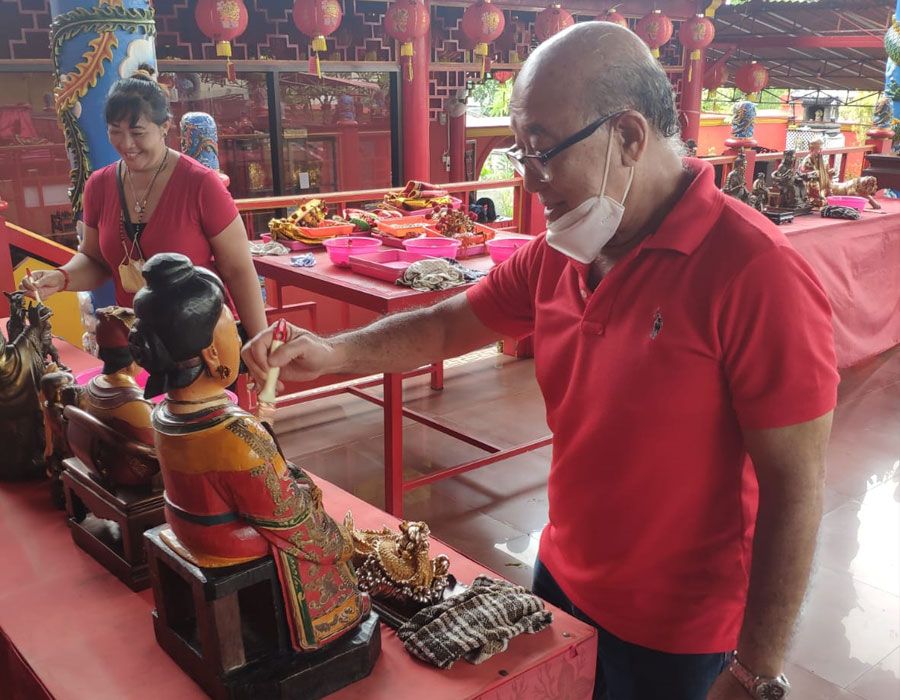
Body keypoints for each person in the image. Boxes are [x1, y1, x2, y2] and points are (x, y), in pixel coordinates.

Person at [243, 22, 838, 700]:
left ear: (629, 136)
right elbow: (449, 324)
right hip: (561, 577)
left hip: (680, 635)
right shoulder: (562, 251)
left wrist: (755, 672)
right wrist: (330, 353)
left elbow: (796, 489)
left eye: (544, 151)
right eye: (519, 150)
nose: (528, 178)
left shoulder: (756, 274)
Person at [20, 64, 267, 339]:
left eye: (137, 133)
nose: (126, 144)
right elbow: (95, 260)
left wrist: (260, 342)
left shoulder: (200, 184)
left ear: (165, 127)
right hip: (137, 342)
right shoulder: (99, 186)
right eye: (115, 131)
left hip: (202, 342)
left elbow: (238, 270)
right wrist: (62, 277)